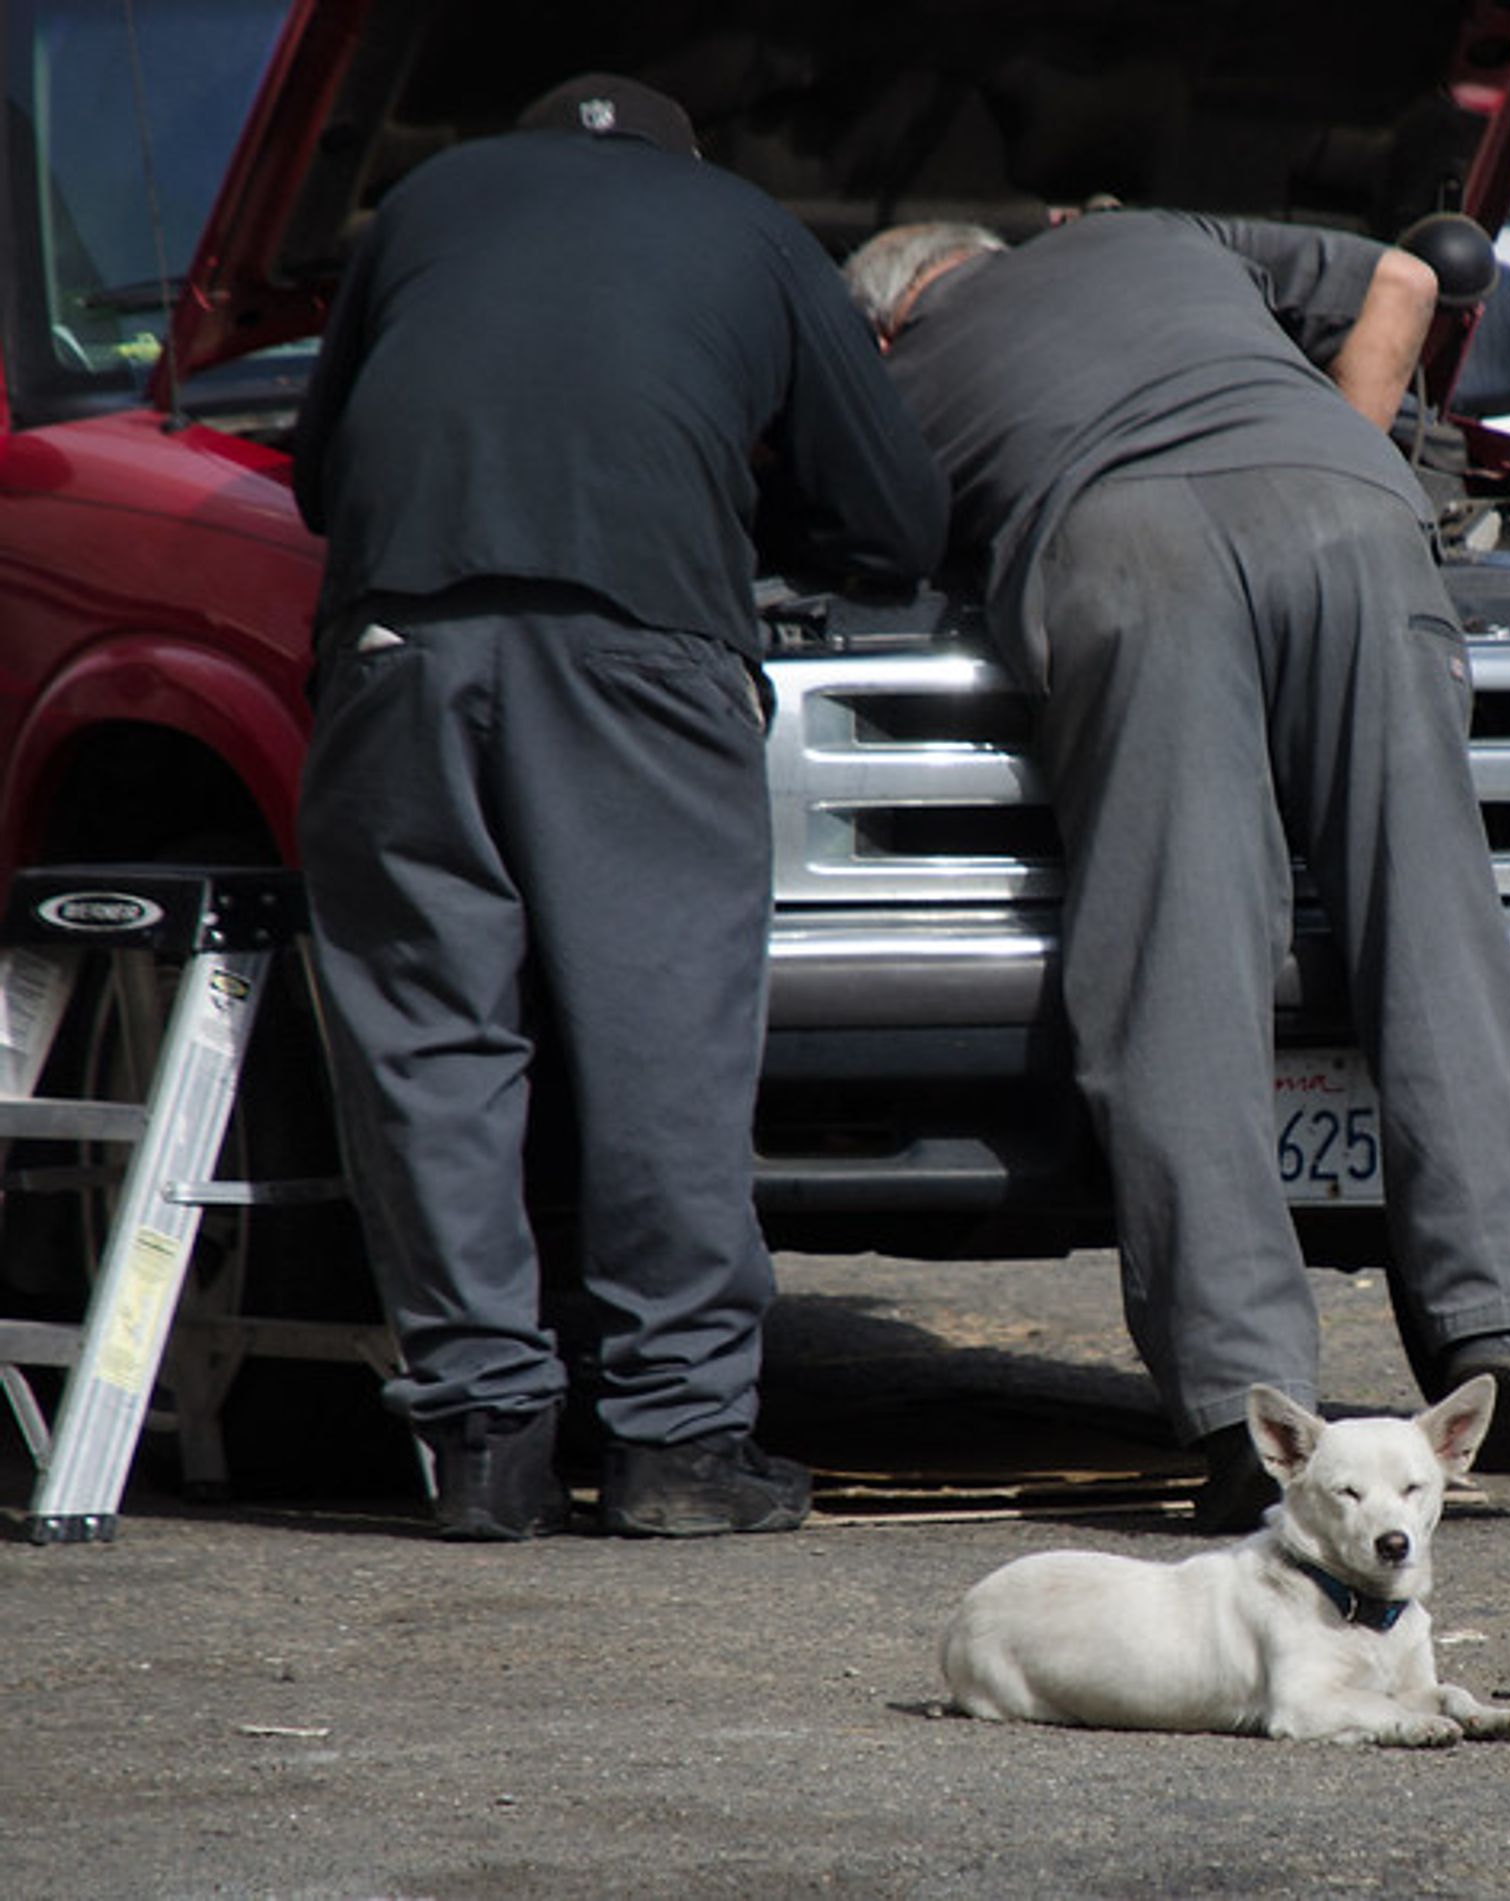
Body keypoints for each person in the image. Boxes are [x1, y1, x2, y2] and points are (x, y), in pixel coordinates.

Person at [842, 209, 1510, 1530]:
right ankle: (1501, 1328)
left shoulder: (892, 374)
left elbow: (860, 543)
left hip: (1132, 548)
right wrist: (1349, 450)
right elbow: (1405, 277)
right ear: (994, 245)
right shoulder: (1161, 235)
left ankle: (1251, 1399)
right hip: (1350, 506)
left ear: (891, 312)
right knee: (1433, 917)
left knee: (1181, 957)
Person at [292, 76, 947, 1541]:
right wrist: (727, 503)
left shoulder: (423, 208)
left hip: (403, 641)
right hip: (638, 650)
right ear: (682, 162)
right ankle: (677, 1441)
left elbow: (319, 478)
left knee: (430, 1037)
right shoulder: (748, 225)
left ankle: (483, 1443)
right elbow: (897, 521)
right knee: (663, 1034)